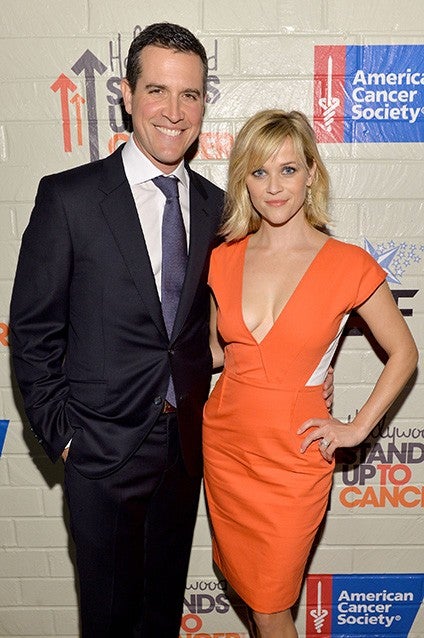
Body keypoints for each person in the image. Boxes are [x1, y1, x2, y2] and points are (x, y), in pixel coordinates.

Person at [9, 24, 333, 637]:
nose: (174, 111)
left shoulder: (220, 209)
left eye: (190, 94)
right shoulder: (69, 198)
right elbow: (32, 333)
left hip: (186, 450)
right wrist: (66, 437)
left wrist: (313, 365)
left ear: (204, 102)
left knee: (161, 617)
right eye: (157, 90)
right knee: (109, 621)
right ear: (127, 94)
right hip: (100, 451)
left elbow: (255, 308)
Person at [203, 109, 418, 638]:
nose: (274, 187)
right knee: (254, 599)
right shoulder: (223, 258)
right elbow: (213, 353)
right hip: (227, 445)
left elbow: (404, 353)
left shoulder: (348, 264)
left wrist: (357, 427)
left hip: (295, 457)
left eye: (288, 169)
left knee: (272, 604)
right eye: (259, 172)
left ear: (311, 174)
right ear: (243, 180)